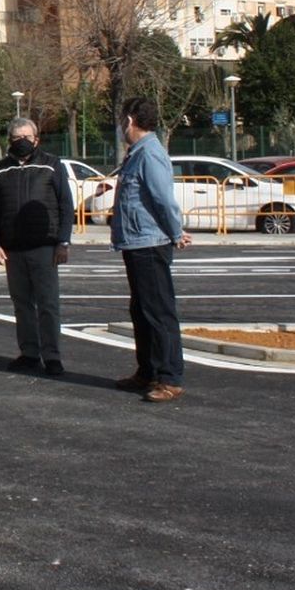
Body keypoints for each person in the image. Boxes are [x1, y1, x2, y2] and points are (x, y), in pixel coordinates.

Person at [110, 97, 192, 403]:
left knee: (158, 311)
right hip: (135, 241)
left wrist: (175, 232)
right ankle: (147, 370)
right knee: (141, 309)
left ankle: (169, 376)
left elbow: (163, 198)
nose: (120, 127)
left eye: (122, 121)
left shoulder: (151, 154)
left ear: (130, 121)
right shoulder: (137, 154)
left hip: (150, 243)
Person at [0, 117, 74, 376]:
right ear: (10, 140)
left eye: (27, 136)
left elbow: (65, 205)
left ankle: (52, 356)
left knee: (48, 304)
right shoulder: (2, 168)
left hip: (45, 247)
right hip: (13, 250)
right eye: (16, 137)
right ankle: (29, 353)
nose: (22, 141)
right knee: (21, 304)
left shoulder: (52, 165)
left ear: (36, 139)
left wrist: (63, 242)